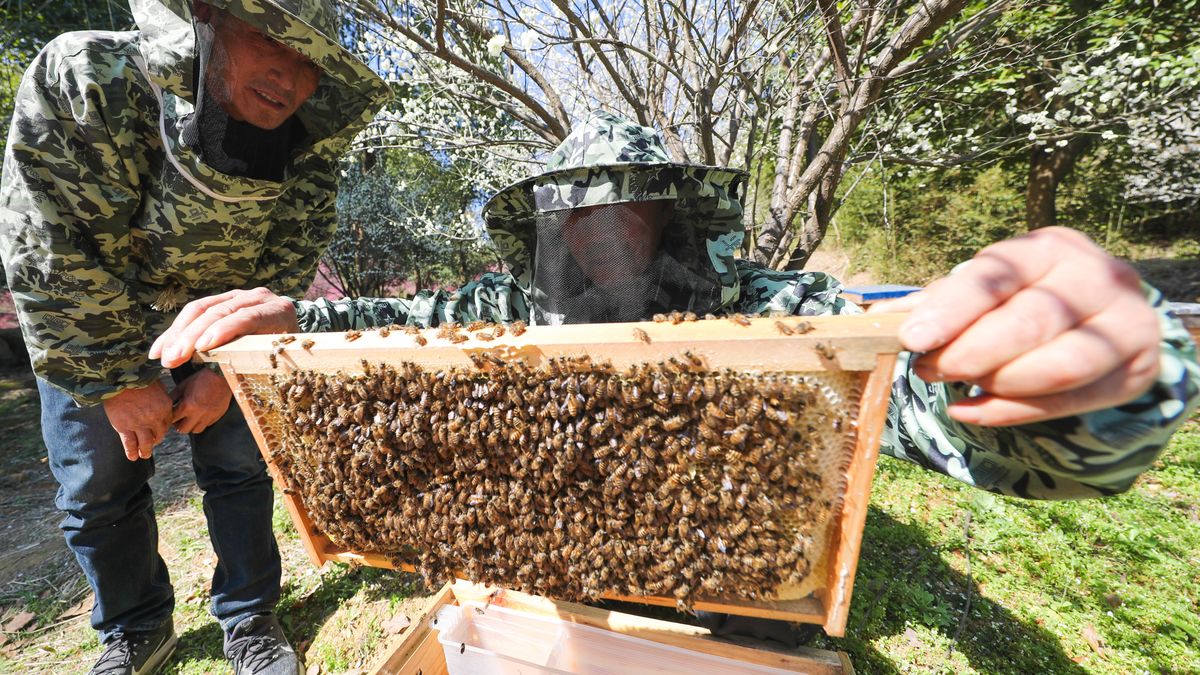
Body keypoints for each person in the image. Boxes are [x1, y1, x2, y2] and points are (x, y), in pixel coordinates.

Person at [150, 111, 1200, 642]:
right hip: (553, 593)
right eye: (580, 217)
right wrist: (295, 322)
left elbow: (946, 409)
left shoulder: (775, 317)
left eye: (629, 210)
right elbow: (386, 328)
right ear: (549, 229)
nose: (605, 237)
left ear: (676, 215)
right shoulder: (501, 314)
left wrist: (1103, 397)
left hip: (723, 606)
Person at [0, 0, 388, 671]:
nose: (290, 75)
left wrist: (222, 371)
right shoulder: (87, 73)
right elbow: (42, 241)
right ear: (208, 14)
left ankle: (250, 615)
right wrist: (115, 379)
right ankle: (135, 626)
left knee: (240, 467)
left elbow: (290, 256)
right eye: (272, 39)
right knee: (95, 487)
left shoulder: (310, 138)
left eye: (310, 61)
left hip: (223, 330)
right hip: (92, 323)